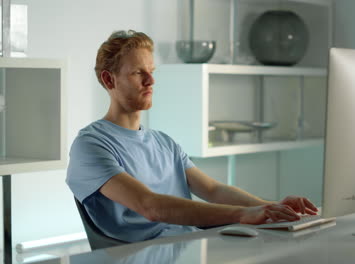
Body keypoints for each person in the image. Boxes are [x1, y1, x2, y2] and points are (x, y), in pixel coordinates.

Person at [66, 30, 318, 242]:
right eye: (138, 73)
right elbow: (149, 206)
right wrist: (243, 214)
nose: (151, 80)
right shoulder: (90, 145)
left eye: (152, 71)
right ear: (109, 80)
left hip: (189, 246)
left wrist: (271, 208)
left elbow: (214, 189)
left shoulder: (163, 142)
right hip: (141, 255)